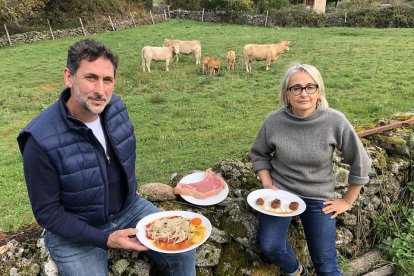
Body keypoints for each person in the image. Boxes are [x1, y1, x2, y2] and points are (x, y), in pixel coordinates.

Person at [17, 39, 196, 276]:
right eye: (91, 78)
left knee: (184, 250)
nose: (101, 91)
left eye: (108, 80)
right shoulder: (39, 139)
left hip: (129, 208)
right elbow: (47, 213)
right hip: (76, 231)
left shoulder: (116, 108)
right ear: (69, 77)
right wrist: (106, 238)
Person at [250, 63, 372, 276]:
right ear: (287, 94)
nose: (303, 93)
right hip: (283, 194)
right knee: (271, 246)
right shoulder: (274, 121)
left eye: (310, 87)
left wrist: (347, 201)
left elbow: (361, 162)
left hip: (319, 197)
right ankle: (298, 272)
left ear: (319, 91)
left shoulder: (335, 121)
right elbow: (259, 154)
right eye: (296, 88)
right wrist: (268, 184)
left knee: (326, 265)